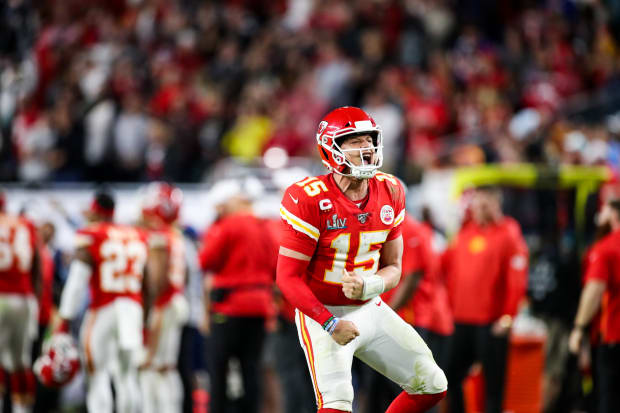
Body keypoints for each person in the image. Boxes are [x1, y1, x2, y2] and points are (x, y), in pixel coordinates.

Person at [276, 106, 447, 413]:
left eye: (369, 138)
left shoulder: (390, 189)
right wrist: (329, 323)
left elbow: (395, 267)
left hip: (371, 307)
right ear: (332, 149)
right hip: (324, 313)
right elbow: (286, 278)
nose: (366, 147)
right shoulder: (309, 197)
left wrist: (369, 285)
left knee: (432, 385)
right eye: (354, 141)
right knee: (337, 404)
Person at [55, 191, 148, 413]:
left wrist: (64, 319)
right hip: (132, 309)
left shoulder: (92, 234)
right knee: (128, 376)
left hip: (104, 308)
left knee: (98, 375)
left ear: (95, 210)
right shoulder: (136, 234)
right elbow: (148, 282)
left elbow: (77, 280)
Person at [444, 186, 528, 413]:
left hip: (491, 323)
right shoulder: (465, 233)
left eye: (484, 204)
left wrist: (509, 316)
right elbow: (447, 269)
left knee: (492, 386)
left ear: (495, 205)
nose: (479, 209)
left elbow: (516, 279)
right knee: (449, 377)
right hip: (461, 320)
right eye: (476, 205)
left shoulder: (508, 233)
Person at [198, 178, 277, 413]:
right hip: (260, 306)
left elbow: (206, 261)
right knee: (251, 368)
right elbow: (276, 264)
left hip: (229, 307)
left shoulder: (227, 226)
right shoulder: (267, 226)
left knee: (218, 369)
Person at [366, 212, 453, 413]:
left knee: (416, 387)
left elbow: (413, 277)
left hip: (411, 319)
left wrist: (383, 314)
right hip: (396, 318)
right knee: (379, 389)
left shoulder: (409, 229)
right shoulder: (388, 227)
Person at [139, 182, 189, 413]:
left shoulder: (160, 236)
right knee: (167, 367)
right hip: (177, 300)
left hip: (164, 303)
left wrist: (148, 310)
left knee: (150, 366)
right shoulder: (175, 235)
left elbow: (156, 279)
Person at [569, 199, 620, 413]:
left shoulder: (606, 248)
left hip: (613, 336)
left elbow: (594, 291)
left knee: (608, 398)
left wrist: (579, 328)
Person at [0, 190, 41, 413]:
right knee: (21, 361)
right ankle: (21, 410)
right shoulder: (24, 224)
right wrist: (33, 296)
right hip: (24, 298)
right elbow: (37, 265)